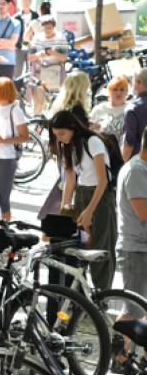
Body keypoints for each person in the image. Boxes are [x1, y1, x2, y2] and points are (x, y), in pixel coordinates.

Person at [56, 110, 118, 290]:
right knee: (78, 248)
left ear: (73, 128)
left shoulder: (93, 142)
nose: (59, 138)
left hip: (99, 196)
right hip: (81, 194)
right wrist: (65, 211)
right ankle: (80, 298)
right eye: (56, 135)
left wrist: (90, 210)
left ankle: (101, 298)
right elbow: (70, 180)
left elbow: (102, 181)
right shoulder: (68, 146)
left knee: (100, 249)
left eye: (62, 133)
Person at [0, 77, 29, 226]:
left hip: (6, 159)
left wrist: (1, 140)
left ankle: (4, 235)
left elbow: (25, 137)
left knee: (3, 200)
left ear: (2, 92)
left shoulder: (15, 110)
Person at [119, 136, 147, 322]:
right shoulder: (136, 170)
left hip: (140, 249)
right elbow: (143, 212)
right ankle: (116, 351)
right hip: (136, 251)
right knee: (133, 312)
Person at [28, 15, 68, 114]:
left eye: (50, 27)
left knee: (55, 102)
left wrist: (55, 54)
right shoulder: (37, 37)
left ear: (54, 26)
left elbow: (64, 58)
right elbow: (30, 57)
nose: (48, 30)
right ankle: (38, 123)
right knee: (38, 102)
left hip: (55, 72)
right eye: (45, 27)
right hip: (39, 71)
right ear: (41, 27)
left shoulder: (61, 37)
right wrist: (39, 54)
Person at [92, 75, 130, 143]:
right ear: (109, 91)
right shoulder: (98, 109)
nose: (118, 93)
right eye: (115, 89)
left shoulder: (131, 108)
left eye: (122, 89)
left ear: (127, 92)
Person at [122, 69, 147, 167]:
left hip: (140, 166)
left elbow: (129, 144)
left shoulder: (133, 109)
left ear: (137, 83)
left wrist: (120, 167)